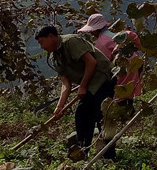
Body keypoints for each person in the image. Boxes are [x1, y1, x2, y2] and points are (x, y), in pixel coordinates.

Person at [35, 25, 117, 160]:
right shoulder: (55, 57)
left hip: (103, 78)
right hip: (90, 85)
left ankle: (109, 156)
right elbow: (65, 84)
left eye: (41, 42)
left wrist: (83, 86)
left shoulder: (71, 41)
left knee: (102, 116)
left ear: (51, 36)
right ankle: (83, 152)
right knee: (82, 116)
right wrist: (59, 107)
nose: (41, 47)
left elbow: (91, 62)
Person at [78, 13, 143, 109]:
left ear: (95, 30)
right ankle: (129, 112)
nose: (91, 33)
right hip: (136, 62)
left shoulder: (101, 42)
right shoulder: (116, 35)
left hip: (123, 67)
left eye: (92, 31)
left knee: (121, 96)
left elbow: (102, 64)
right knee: (128, 91)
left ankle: (125, 116)